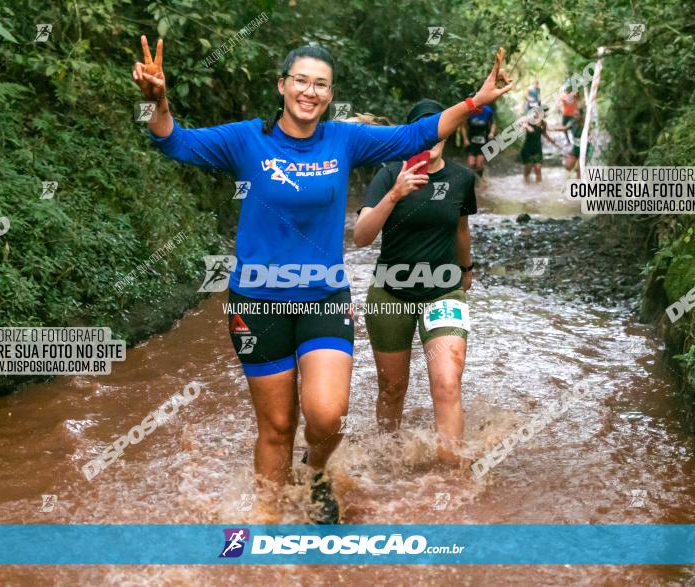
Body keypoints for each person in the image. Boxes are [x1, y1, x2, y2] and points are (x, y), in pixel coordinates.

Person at [132, 37, 514, 522]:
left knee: (328, 415)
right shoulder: (248, 139)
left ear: (329, 95)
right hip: (257, 304)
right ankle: (268, 519)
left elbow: (416, 134)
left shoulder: (344, 140)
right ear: (282, 86)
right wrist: (156, 101)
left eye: (321, 85)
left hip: (324, 300)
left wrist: (476, 100)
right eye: (301, 81)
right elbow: (174, 140)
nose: (309, 92)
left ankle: (314, 473)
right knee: (275, 425)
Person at [354, 99, 477, 465]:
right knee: (392, 389)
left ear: (446, 131)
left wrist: (467, 270)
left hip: (444, 290)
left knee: (447, 383)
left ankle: (451, 478)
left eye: (436, 126)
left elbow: (461, 227)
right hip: (391, 292)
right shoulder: (389, 173)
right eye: (421, 128)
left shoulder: (461, 178)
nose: (430, 135)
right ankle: (387, 463)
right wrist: (395, 193)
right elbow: (361, 236)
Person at [520, 102, 559, 183]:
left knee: (538, 168)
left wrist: (552, 141)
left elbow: (544, 134)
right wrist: (526, 126)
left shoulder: (544, 124)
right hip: (528, 149)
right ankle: (526, 188)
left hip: (537, 148)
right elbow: (521, 122)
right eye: (545, 111)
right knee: (528, 169)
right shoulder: (530, 120)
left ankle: (539, 190)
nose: (546, 113)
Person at [460, 104, 496, 180]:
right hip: (471, 141)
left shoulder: (488, 111)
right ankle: (474, 182)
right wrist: (465, 139)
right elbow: (463, 126)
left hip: (483, 141)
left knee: (479, 164)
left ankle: (481, 179)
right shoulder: (469, 110)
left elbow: (493, 123)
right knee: (471, 164)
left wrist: (491, 133)